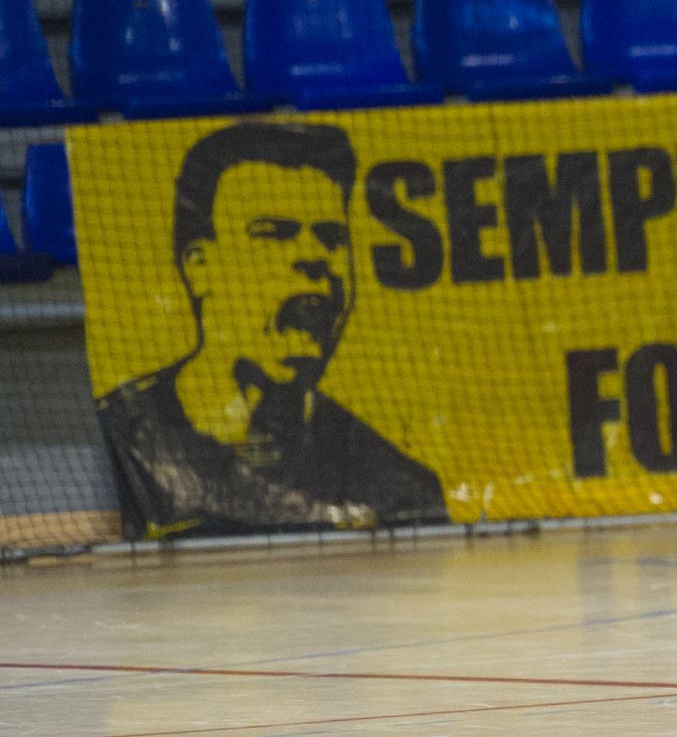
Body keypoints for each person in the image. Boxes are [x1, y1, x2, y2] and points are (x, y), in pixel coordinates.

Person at [97, 121, 444, 535]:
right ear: (200, 267)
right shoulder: (127, 433)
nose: (315, 258)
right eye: (275, 234)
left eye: (332, 237)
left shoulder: (402, 485)